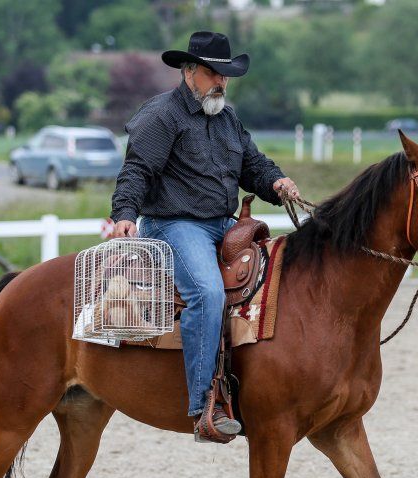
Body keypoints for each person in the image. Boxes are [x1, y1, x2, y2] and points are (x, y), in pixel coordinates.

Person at [109, 30, 300, 443]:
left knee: (278, 278)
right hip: (174, 224)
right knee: (208, 293)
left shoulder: (227, 118)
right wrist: (125, 214)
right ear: (190, 71)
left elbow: (254, 165)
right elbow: (137, 169)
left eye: (226, 75)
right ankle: (204, 405)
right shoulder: (162, 115)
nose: (221, 82)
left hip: (223, 223)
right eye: (214, 74)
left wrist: (277, 182)